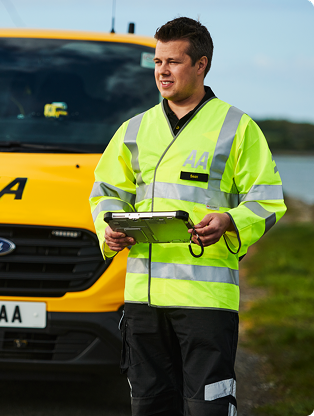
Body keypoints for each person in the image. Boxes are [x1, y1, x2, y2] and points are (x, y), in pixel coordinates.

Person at [89, 17, 286, 416]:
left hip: (206, 302)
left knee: (207, 408)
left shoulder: (237, 128)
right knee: (149, 406)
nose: (162, 71)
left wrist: (230, 220)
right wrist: (110, 229)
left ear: (201, 64)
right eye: (158, 62)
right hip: (143, 300)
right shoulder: (134, 129)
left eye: (173, 62)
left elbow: (268, 199)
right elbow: (106, 193)